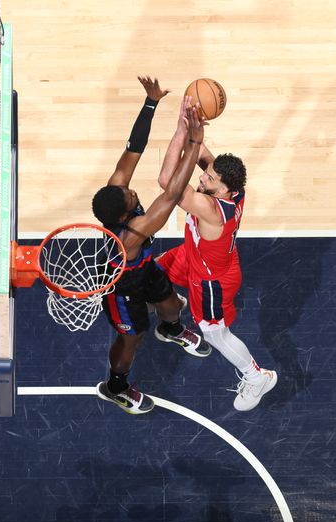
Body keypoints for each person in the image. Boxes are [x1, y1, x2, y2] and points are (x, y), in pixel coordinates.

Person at [91, 76, 211, 415]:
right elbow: (172, 193)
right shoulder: (134, 231)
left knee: (172, 305)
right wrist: (195, 141)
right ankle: (116, 386)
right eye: (131, 196)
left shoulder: (114, 191)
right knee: (133, 337)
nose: (132, 190)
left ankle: (171, 328)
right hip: (121, 286)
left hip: (144, 268)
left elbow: (133, 148)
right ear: (127, 211)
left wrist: (151, 103)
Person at [153, 100, 277, 411]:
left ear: (224, 192)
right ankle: (173, 308)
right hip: (194, 255)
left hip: (211, 280)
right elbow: (204, 156)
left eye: (209, 180)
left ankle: (256, 376)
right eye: (207, 174)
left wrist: (182, 132)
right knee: (152, 276)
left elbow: (167, 183)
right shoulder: (233, 188)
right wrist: (193, 126)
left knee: (214, 332)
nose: (203, 179)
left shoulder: (210, 209)